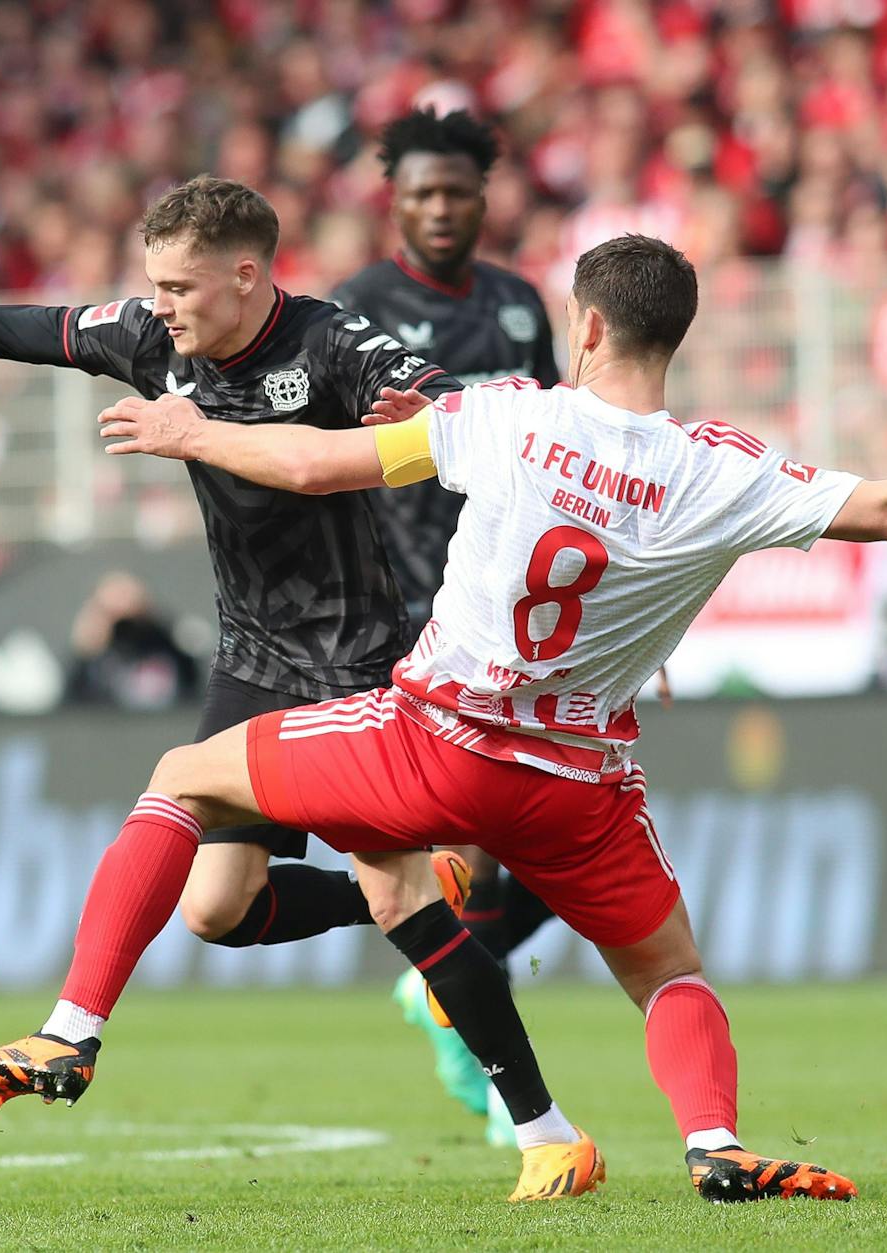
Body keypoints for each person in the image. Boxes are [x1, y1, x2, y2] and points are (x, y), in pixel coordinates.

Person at [71, 233, 887, 1201]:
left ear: (585, 324)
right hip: (577, 785)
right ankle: (713, 1141)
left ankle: (75, 1025)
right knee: (669, 971)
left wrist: (191, 434)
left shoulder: (500, 414)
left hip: (435, 748)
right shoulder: (722, 470)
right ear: (674, 335)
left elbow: (314, 462)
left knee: (187, 773)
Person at [0, 179, 593, 1200]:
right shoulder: (153, 340)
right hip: (250, 659)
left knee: (341, 861)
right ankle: (91, 1028)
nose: (162, 304)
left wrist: (433, 410)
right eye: (154, 285)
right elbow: (4, 327)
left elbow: (450, 395)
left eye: (180, 285)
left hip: (354, 661)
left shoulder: (325, 342)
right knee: (218, 909)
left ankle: (542, 1127)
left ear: (246, 272)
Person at [329, 106, 563, 1137]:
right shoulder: (358, 307)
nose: (437, 208)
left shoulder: (517, 307)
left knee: (552, 840)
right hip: (404, 609)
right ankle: (508, 1086)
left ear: (482, 198)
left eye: (454, 192)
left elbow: (571, 454)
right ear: (394, 199)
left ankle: (440, 988)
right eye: (419, 192)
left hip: (517, 606)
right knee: (465, 834)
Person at [65, 571, 200, 710]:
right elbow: (76, 707)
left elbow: (191, 688)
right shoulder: (95, 663)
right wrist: (89, 645)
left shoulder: (164, 649)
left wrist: (155, 625)